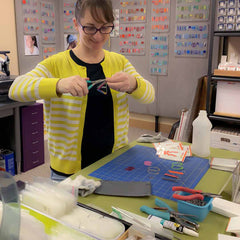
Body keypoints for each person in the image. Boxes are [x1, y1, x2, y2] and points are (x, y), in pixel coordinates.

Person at [9, 0, 155, 181]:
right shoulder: (56, 63)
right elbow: (16, 89)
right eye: (90, 28)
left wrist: (134, 84)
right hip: (69, 174)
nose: (98, 35)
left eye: (105, 28)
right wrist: (58, 84)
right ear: (76, 24)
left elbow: (150, 95)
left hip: (114, 162)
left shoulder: (119, 62)